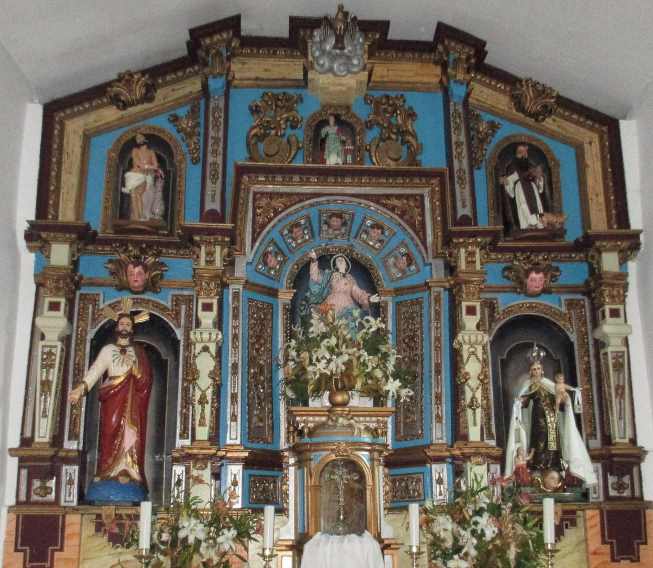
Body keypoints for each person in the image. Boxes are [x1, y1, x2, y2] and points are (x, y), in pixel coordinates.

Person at [68, 301, 152, 499]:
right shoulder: (107, 349)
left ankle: (129, 470)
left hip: (132, 399)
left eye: (128, 324)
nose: (125, 327)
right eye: (122, 324)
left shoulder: (138, 351)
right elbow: (96, 370)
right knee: (109, 431)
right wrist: (80, 389)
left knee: (131, 434)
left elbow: (146, 378)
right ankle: (107, 470)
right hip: (112, 397)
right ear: (117, 327)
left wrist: (136, 371)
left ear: (132, 329)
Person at [504, 348, 596, 486]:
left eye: (538, 369)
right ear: (531, 372)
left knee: (553, 442)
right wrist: (519, 402)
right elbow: (525, 400)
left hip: (552, 417)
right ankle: (539, 466)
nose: (536, 371)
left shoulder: (549, 384)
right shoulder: (529, 385)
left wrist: (566, 399)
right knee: (539, 440)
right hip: (538, 417)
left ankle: (553, 466)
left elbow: (559, 396)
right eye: (534, 369)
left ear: (542, 370)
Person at [302, 250, 380, 324]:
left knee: (346, 328)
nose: (340, 260)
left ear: (346, 264)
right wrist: (314, 261)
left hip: (347, 306)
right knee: (331, 326)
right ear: (336, 265)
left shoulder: (350, 278)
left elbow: (358, 293)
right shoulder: (330, 275)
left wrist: (369, 298)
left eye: (342, 259)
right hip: (331, 304)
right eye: (338, 260)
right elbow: (316, 277)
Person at [500, 144, 548, 230]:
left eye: (524, 151)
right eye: (520, 151)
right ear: (516, 153)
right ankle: (527, 225)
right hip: (520, 188)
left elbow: (539, 185)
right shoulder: (512, 166)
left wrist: (539, 178)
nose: (523, 153)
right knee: (523, 205)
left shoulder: (531, 165)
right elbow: (509, 181)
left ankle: (539, 224)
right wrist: (506, 181)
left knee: (537, 204)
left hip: (532, 187)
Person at [122, 133, 164, 222]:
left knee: (140, 195)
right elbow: (138, 163)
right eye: (137, 138)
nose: (139, 139)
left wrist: (147, 167)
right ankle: (136, 217)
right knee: (134, 195)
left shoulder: (151, 152)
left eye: (140, 138)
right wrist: (147, 166)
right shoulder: (135, 150)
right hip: (134, 175)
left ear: (145, 139)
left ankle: (141, 216)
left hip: (146, 177)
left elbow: (155, 165)